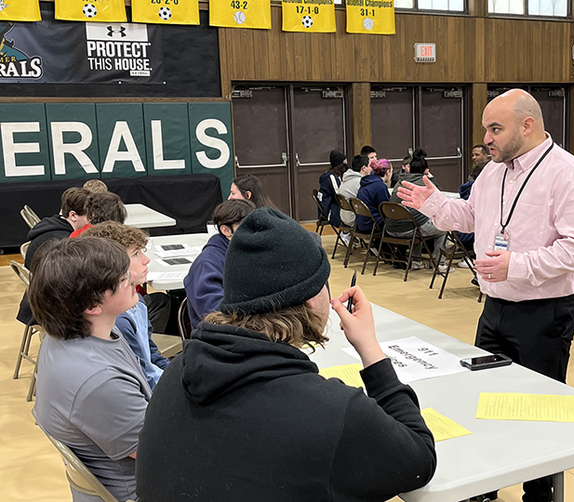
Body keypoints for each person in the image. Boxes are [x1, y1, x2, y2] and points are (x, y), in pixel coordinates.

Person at [135, 207, 436, 501]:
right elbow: (419, 461)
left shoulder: (181, 369)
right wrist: (370, 349)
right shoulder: (332, 413)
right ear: (310, 299)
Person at [398, 88, 574, 502]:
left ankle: (540, 493)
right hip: (495, 306)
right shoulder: (494, 171)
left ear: (527, 126)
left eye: (495, 128)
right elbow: (472, 217)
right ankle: (483, 485)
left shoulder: (569, 174)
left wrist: (518, 265)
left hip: (545, 310)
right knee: (481, 398)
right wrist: (434, 203)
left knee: (539, 409)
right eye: (486, 129)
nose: (486, 138)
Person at [30, 237, 150, 502]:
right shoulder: (99, 381)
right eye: (121, 278)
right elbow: (159, 452)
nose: (132, 276)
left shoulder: (69, 335)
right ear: (92, 306)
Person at [83, 222, 170, 391]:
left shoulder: (137, 302)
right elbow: (141, 376)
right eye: (136, 254)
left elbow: (152, 356)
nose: (146, 260)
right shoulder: (118, 321)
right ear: (113, 265)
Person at [16, 187, 91, 327]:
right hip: (47, 310)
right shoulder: (60, 242)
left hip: (35, 301)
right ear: (73, 215)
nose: (93, 220)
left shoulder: (51, 225)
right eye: (89, 216)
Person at [184, 199, 256, 329]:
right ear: (226, 230)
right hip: (219, 341)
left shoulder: (249, 253)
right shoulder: (207, 263)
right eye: (246, 227)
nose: (254, 232)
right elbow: (215, 315)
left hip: (249, 333)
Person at [387, 149, 449, 272]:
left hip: (391, 228)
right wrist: (432, 179)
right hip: (410, 229)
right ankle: (439, 264)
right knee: (443, 226)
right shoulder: (424, 183)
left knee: (417, 220)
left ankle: (416, 261)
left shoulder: (400, 182)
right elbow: (437, 199)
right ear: (426, 170)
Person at [355, 158, 392, 233]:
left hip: (361, 223)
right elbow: (386, 210)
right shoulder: (380, 186)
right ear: (387, 172)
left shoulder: (366, 182)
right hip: (373, 225)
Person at [338, 154, 370, 228]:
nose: (371, 169)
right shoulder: (360, 183)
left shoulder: (346, 179)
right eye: (369, 166)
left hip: (344, 217)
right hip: (354, 219)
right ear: (364, 168)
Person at [317, 150, 347, 227]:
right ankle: (345, 234)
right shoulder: (331, 177)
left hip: (327, 208)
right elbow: (339, 195)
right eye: (344, 162)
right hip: (329, 211)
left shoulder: (330, 174)